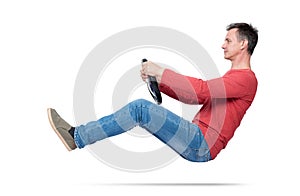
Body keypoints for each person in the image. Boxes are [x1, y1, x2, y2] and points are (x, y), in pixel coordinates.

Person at [48, 23, 258, 162]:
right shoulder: (233, 78)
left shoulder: (246, 79)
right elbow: (193, 97)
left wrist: (162, 73)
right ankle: (77, 136)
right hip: (198, 139)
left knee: (140, 108)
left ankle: (77, 136)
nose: (222, 45)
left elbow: (201, 91)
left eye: (228, 40)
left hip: (201, 143)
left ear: (243, 43)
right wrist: (161, 83)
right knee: (139, 111)